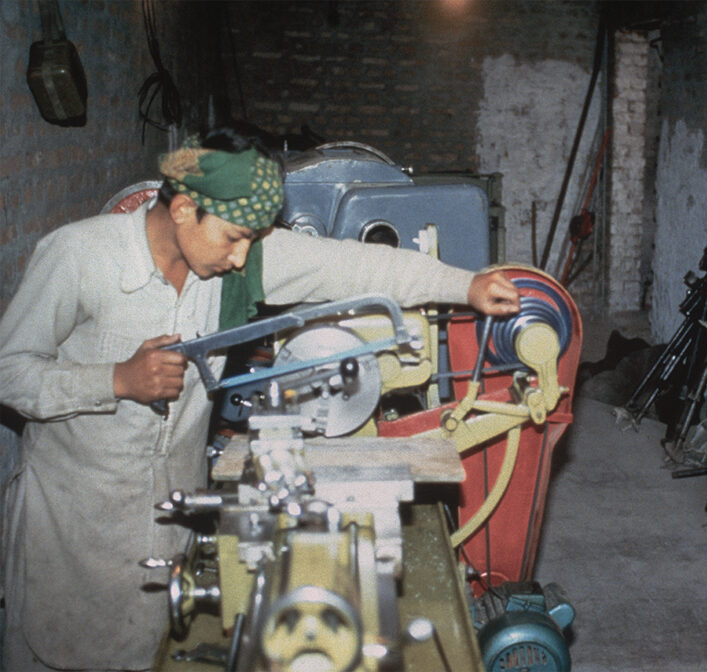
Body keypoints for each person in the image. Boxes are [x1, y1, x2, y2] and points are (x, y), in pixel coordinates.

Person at [0, 128, 520, 671]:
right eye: (233, 237)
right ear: (182, 209)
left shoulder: (233, 255)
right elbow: (8, 371)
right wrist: (116, 381)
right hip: (73, 527)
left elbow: (351, 266)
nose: (243, 256)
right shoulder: (79, 256)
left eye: (254, 238)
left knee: (151, 652)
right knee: (52, 647)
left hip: (165, 523)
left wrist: (466, 286)